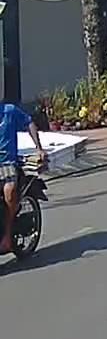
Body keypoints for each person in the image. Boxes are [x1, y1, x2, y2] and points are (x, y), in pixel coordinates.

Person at [1, 102, 46, 254]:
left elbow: (29, 123)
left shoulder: (9, 111)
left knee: (10, 190)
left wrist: (39, 148)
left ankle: (7, 236)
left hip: (6, 163)